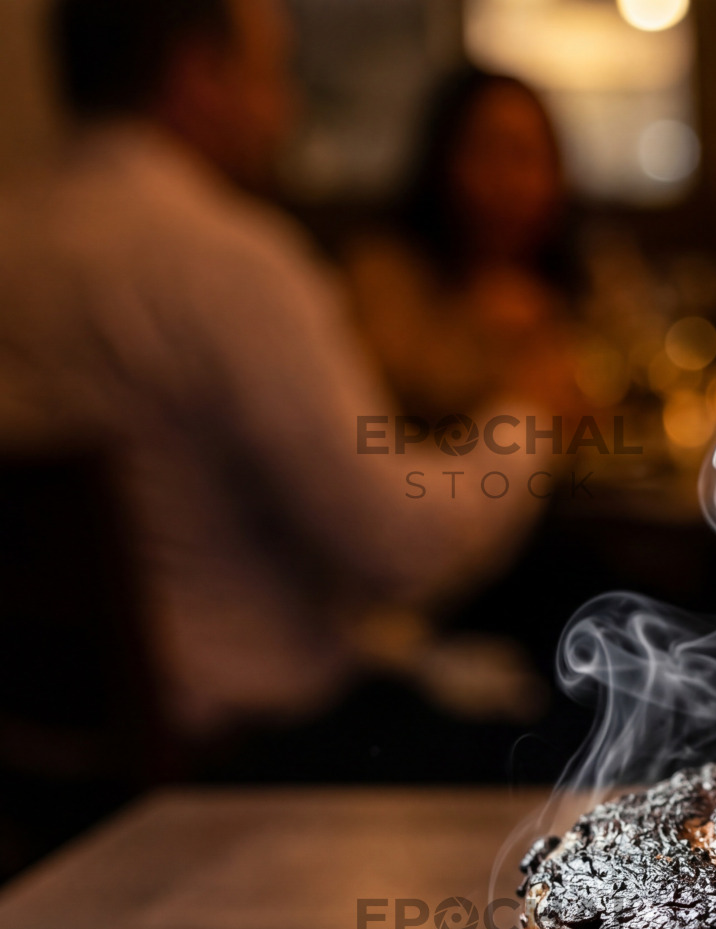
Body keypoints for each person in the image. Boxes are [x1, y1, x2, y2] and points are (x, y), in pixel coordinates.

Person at [0, 0, 561, 756]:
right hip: (253, 754)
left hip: (45, 753)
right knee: (588, 724)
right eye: (272, 73)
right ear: (199, 76)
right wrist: (531, 416)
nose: (287, 106)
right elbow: (398, 544)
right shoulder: (225, 264)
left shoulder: (18, 238)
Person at [345, 69, 605, 422]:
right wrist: (477, 332)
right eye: (487, 152)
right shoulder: (384, 270)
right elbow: (386, 403)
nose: (508, 182)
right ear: (443, 160)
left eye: (526, 155)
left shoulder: (584, 270)